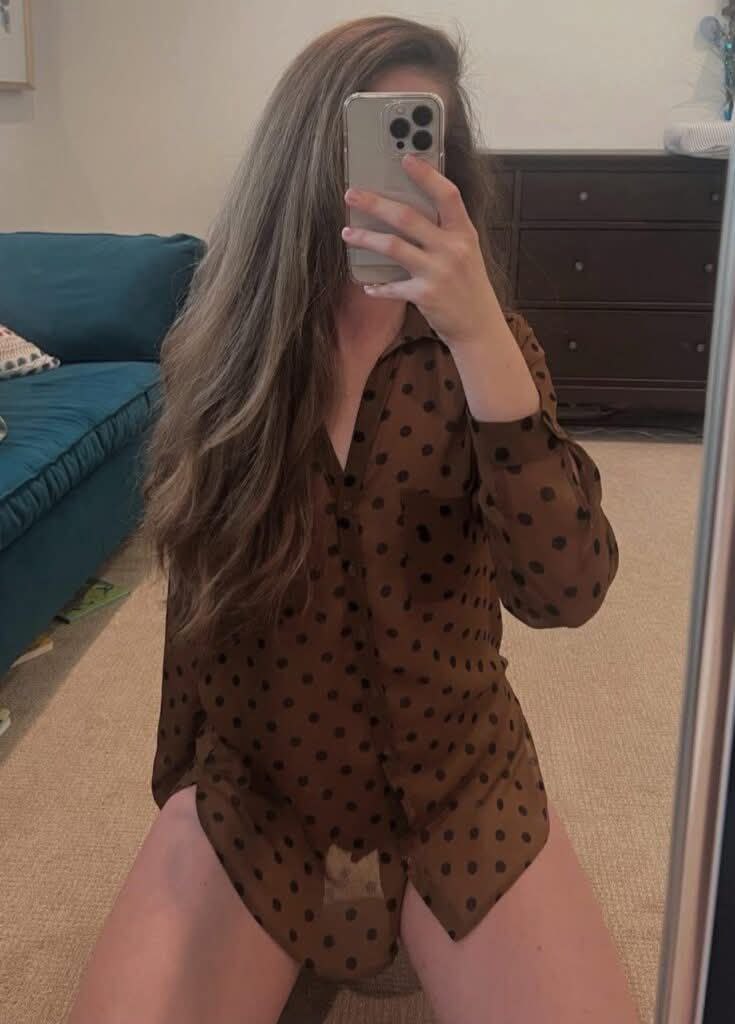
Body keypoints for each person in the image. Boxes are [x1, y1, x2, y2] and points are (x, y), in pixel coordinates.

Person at [67, 15, 639, 1024]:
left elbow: (568, 591)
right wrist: (184, 803)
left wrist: (481, 342)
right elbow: (197, 605)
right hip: (263, 791)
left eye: (420, 145)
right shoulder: (223, 357)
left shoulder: (491, 354)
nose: (390, 178)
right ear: (303, 161)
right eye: (367, 143)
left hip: (460, 782)